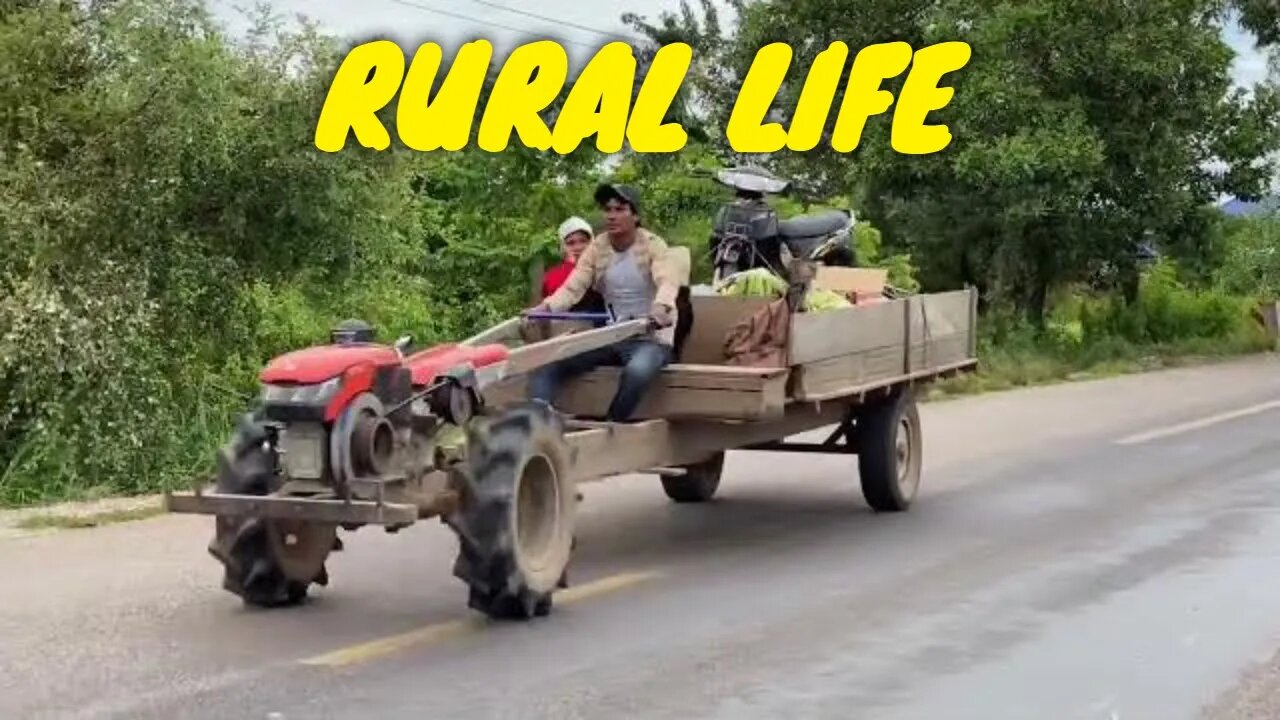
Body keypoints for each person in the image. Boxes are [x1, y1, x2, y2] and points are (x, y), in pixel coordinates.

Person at [528, 183, 690, 422]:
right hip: (612, 335)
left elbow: (668, 280)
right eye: (608, 209)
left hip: (651, 339)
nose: (611, 216)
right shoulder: (597, 248)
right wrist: (545, 308)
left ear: (635, 216)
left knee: (637, 371)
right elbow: (573, 287)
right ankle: (537, 417)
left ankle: (611, 426)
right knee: (552, 360)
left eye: (620, 209)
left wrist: (660, 307)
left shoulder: (653, 245)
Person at [541, 216, 606, 313]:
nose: (578, 247)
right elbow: (560, 295)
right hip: (567, 325)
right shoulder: (553, 275)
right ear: (563, 248)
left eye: (583, 241)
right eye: (571, 243)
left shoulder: (602, 266)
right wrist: (571, 266)